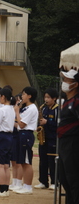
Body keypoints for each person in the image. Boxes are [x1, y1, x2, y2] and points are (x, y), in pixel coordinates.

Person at [58, 69, 79, 204]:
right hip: (64, 143)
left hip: (73, 143)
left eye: (67, 80)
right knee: (63, 177)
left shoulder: (76, 102)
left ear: (75, 84)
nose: (64, 83)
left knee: (73, 179)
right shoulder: (66, 101)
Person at [13, 86, 38, 194]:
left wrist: (17, 112)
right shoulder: (26, 108)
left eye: (23, 94)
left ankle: (28, 186)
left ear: (29, 96)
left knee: (27, 162)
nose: (22, 96)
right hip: (21, 134)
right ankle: (23, 184)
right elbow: (18, 124)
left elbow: (22, 124)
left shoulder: (32, 108)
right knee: (22, 161)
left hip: (26, 134)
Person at [34, 88, 59, 190]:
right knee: (43, 160)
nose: (46, 99)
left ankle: (54, 182)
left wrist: (47, 122)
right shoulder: (44, 109)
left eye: (48, 97)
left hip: (53, 138)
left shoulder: (57, 110)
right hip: (43, 138)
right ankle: (43, 181)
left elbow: (59, 125)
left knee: (52, 161)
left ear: (54, 98)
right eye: (45, 97)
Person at [9, 93, 23, 191]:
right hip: (12, 136)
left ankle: (19, 182)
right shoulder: (13, 110)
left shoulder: (22, 111)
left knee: (19, 162)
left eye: (19, 100)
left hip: (19, 136)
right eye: (16, 100)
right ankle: (14, 181)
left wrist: (11, 123)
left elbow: (20, 124)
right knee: (13, 161)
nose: (17, 103)